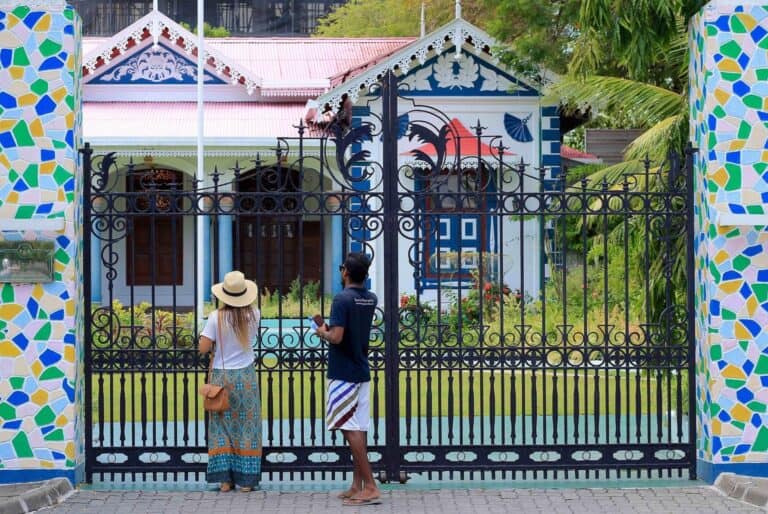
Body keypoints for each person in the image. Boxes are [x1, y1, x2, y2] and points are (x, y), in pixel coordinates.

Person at [315, 252, 381, 506]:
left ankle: (371, 486)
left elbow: (337, 337)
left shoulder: (342, 299)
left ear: (345, 272)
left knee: (348, 427)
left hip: (343, 372)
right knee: (359, 427)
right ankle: (357, 485)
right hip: (361, 369)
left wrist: (322, 331)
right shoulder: (370, 298)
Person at [199, 270, 261, 492]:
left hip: (222, 376)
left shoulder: (216, 317)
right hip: (246, 376)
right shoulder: (255, 314)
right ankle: (246, 481)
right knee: (247, 427)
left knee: (221, 426)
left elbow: (203, 348)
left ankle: (226, 480)